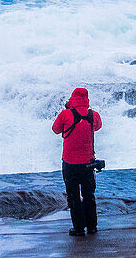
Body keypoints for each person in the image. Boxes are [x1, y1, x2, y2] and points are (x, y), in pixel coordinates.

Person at [52, 87, 102, 236]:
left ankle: (79, 228)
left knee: (73, 196)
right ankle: (92, 227)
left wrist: (69, 110)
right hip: (88, 163)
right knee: (89, 195)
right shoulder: (94, 115)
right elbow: (98, 127)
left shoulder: (65, 114)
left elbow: (55, 129)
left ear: (72, 98)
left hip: (70, 163)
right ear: (87, 99)